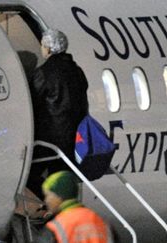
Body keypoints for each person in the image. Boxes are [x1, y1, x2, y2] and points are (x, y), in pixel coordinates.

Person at [28, 29, 88, 197]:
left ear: (47, 48)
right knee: (63, 175)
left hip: (50, 139)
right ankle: (59, 205)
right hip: (75, 137)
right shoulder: (77, 71)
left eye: (42, 45)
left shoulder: (43, 73)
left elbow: (33, 101)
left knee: (27, 174)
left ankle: (50, 201)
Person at [37, 171, 113, 242]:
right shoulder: (101, 221)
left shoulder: (56, 226)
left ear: (58, 196)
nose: (46, 200)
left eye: (48, 195)